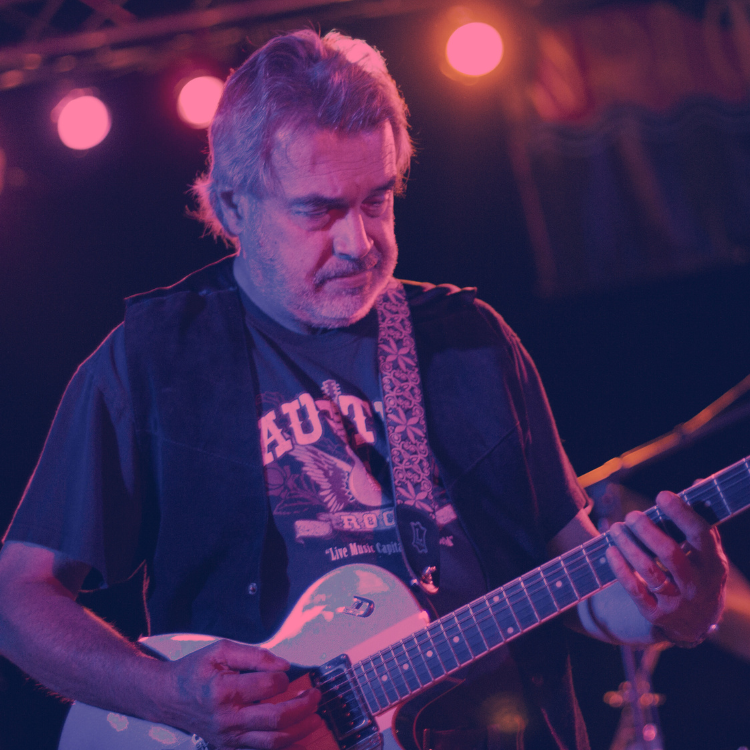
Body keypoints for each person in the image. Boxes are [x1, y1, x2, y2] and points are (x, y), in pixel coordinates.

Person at [0, 29, 727, 750]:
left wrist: (678, 606)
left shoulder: (471, 341)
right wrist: (166, 694)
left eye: (377, 201)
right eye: (319, 211)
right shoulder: (151, 359)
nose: (360, 242)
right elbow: (17, 598)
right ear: (231, 208)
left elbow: (580, 587)